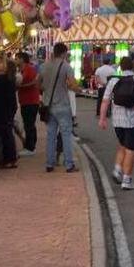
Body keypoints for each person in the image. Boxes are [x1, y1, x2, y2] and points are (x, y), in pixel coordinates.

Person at [99, 56, 134, 190]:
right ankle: (127, 180)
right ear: (132, 67)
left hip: (117, 122)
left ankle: (117, 170)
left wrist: (102, 118)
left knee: (123, 145)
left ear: (120, 67)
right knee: (131, 151)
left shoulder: (114, 81)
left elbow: (105, 101)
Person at [38, 42, 79, 173]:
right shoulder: (66, 66)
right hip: (62, 105)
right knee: (66, 134)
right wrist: (77, 88)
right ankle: (69, 164)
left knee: (50, 135)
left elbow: (37, 84)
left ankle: (49, 164)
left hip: (48, 105)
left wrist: (45, 90)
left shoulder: (43, 66)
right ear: (63, 53)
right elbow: (72, 85)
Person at [15, 52, 40, 156]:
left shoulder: (29, 69)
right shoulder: (23, 70)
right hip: (26, 101)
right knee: (28, 124)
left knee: (29, 124)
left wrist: (20, 86)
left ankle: (30, 147)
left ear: (22, 59)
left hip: (30, 101)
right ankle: (30, 145)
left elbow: (33, 82)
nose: (15, 60)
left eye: (17, 58)